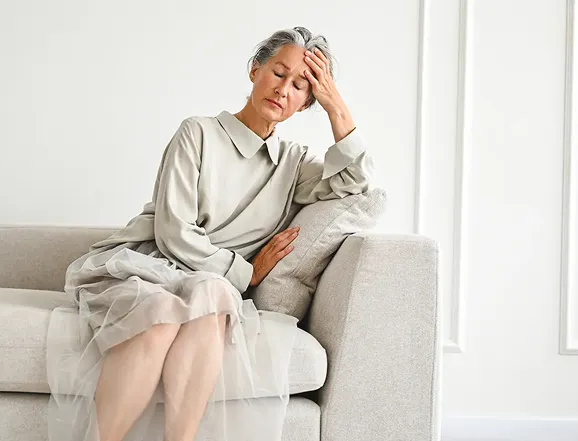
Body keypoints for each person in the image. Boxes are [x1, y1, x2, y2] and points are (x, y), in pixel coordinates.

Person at [45, 26, 374, 441]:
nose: (283, 90)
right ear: (255, 70)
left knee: (213, 296)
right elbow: (173, 230)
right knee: (162, 312)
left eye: (300, 87)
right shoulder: (196, 133)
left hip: (209, 281)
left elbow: (356, 184)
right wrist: (246, 273)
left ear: (306, 102)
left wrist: (336, 107)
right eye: (278, 73)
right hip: (151, 264)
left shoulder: (294, 166)